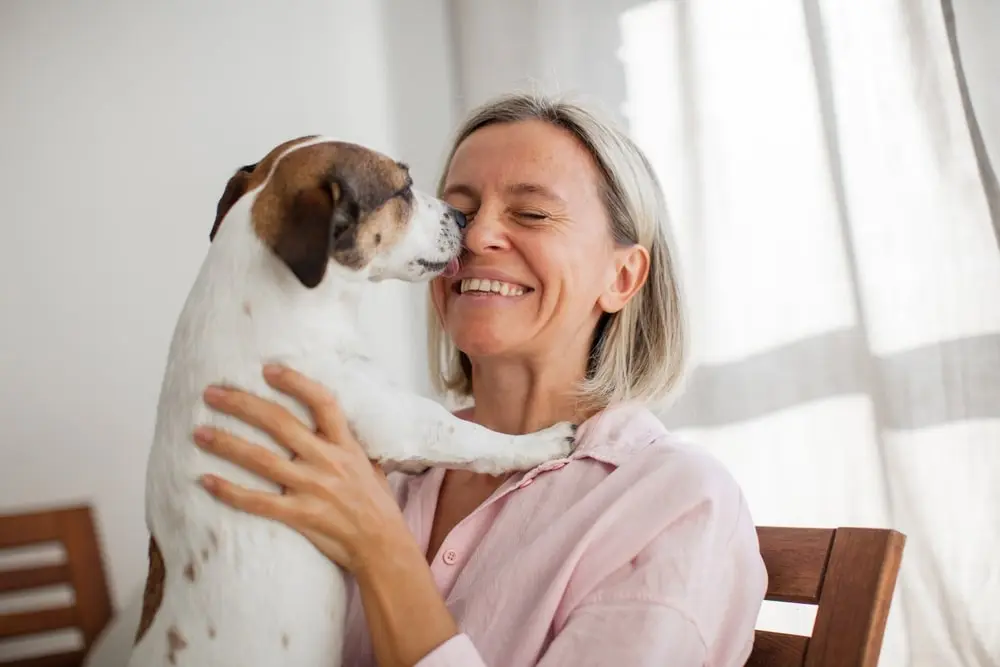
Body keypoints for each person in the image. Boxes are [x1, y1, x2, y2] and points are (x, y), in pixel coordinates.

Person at [193, 93, 767, 666]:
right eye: (459, 214)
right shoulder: (365, 469)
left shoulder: (678, 501)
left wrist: (378, 548)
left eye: (532, 213)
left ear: (622, 276)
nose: (473, 236)